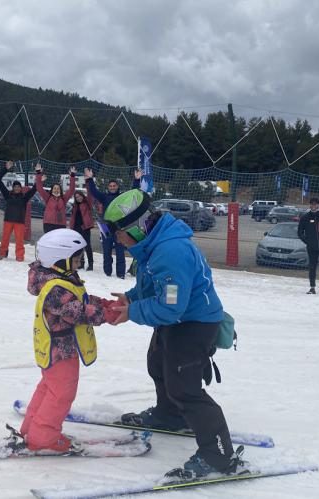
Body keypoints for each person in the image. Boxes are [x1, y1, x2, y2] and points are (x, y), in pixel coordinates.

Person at [104, 189, 246, 479]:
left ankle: (219, 455)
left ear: (138, 227)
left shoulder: (170, 252)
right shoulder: (152, 245)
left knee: (185, 387)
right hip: (178, 317)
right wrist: (131, 299)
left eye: (116, 231)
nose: (114, 237)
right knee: (157, 364)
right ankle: (170, 416)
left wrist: (132, 312)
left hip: (194, 323)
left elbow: (170, 308)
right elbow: (153, 287)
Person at [20, 229, 120, 452]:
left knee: (48, 388)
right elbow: (78, 311)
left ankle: (31, 430)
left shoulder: (58, 279)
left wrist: (105, 303)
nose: (78, 262)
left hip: (57, 348)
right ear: (59, 260)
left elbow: (81, 299)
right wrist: (111, 314)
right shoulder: (55, 288)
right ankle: (43, 439)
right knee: (61, 393)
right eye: (75, 259)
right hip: (60, 349)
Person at [84, 167, 142, 278]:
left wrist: (137, 180)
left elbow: (132, 193)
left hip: (119, 228)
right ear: (108, 187)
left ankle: (120, 274)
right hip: (106, 228)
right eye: (110, 186)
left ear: (117, 187)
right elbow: (94, 192)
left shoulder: (122, 197)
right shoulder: (104, 197)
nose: (112, 187)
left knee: (120, 252)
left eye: (114, 186)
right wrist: (90, 179)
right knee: (107, 252)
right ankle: (107, 273)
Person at [0, 161, 37, 261]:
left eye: (19, 187)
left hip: (19, 222)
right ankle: (2, 253)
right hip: (8, 220)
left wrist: (39, 179)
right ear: (13, 188)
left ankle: (19, 256)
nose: (17, 188)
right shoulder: (8, 195)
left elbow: (34, 190)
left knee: (19, 240)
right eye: (15, 187)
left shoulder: (24, 197)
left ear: (21, 188)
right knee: (5, 239)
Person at [34, 163, 76, 233]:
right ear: (52, 190)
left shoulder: (63, 199)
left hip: (61, 224)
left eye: (58, 188)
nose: (56, 190)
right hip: (48, 224)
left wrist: (72, 176)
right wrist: (38, 173)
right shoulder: (48, 197)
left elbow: (72, 190)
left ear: (60, 190)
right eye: (54, 188)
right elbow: (39, 188)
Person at [69, 189, 95, 271]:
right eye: (76, 197)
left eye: (79, 196)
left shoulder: (87, 203)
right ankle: (81, 263)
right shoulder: (75, 206)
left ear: (82, 196)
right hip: (76, 229)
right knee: (79, 247)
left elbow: (90, 194)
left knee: (87, 246)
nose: (78, 198)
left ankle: (91, 264)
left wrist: (88, 180)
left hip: (85, 228)